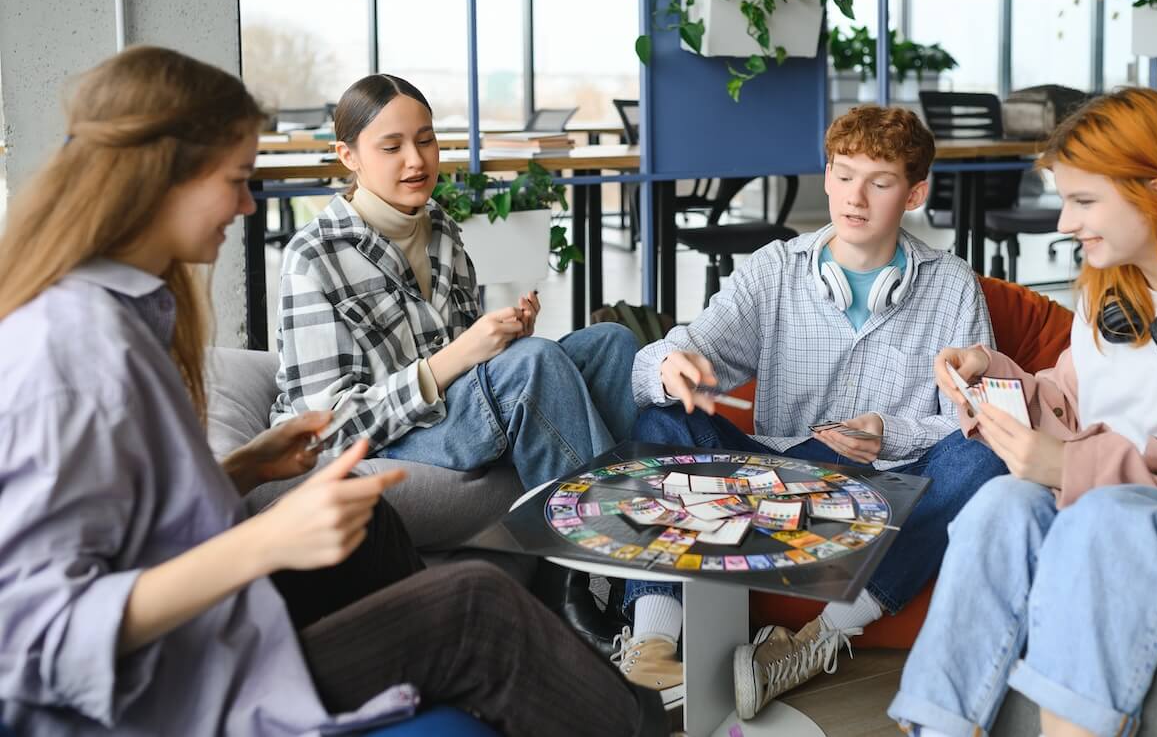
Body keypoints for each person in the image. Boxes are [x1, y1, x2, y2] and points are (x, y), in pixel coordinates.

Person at [0, 46, 666, 737]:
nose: (249, 203)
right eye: (235, 179)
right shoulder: (69, 349)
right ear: (160, 177)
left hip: (228, 623)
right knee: (475, 601)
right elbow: (32, 639)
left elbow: (137, 525)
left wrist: (245, 468)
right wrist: (262, 542)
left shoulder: (134, 316)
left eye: (426, 139)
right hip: (187, 680)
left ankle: (587, 652)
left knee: (608, 344)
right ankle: (611, 615)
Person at [611, 106, 1008, 716]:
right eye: (844, 175)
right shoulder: (775, 270)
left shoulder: (952, 286)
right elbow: (680, 354)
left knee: (984, 456)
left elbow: (977, 416)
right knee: (661, 420)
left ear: (914, 193)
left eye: (879, 182)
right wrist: (670, 365)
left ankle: (816, 638)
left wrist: (891, 431)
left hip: (887, 493)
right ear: (826, 176)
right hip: (779, 484)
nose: (855, 197)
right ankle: (655, 643)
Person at [270, 74, 636, 651]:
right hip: (385, 439)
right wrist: (466, 356)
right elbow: (328, 429)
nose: (416, 161)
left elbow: (478, 370)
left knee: (611, 342)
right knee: (533, 366)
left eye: (427, 140)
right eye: (390, 147)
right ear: (349, 157)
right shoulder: (312, 257)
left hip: (449, 416)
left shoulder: (441, 228)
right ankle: (613, 566)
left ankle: (569, 570)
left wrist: (505, 338)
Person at [889, 87, 1157, 737]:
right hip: (1111, 493)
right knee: (1001, 503)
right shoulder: (1108, 294)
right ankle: (937, 727)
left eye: (1085, 201)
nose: (1063, 222)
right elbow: (1065, 402)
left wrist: (1071, 465)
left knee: (1104, 518)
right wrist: (994, 376)